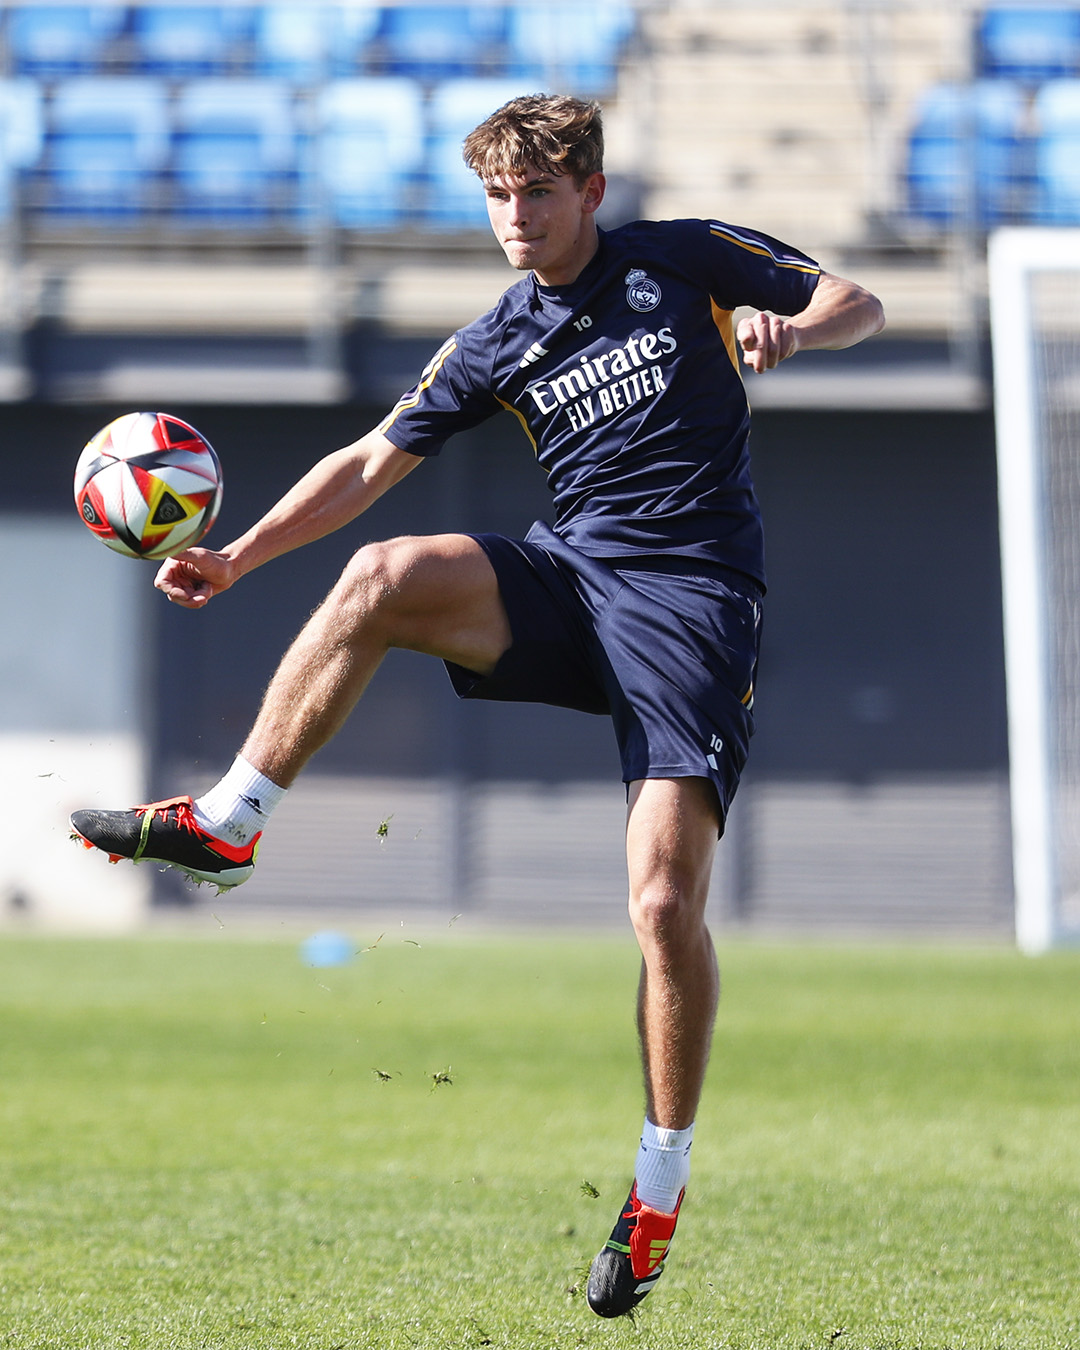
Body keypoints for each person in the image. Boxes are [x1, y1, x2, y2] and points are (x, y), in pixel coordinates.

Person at [71, 94, 884, 1318]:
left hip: (694, 603)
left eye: (536, 195)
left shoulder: (682, 255)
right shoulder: (496, 339)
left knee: (663, 905)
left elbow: (854, 299)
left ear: (590, 193)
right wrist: (237, 557)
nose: (514, 218)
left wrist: (793, 331)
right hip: (570, 579)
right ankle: (233, 820)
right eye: (497, 197)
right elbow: (362, 466)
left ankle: (658, 1187)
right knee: (384, 573)